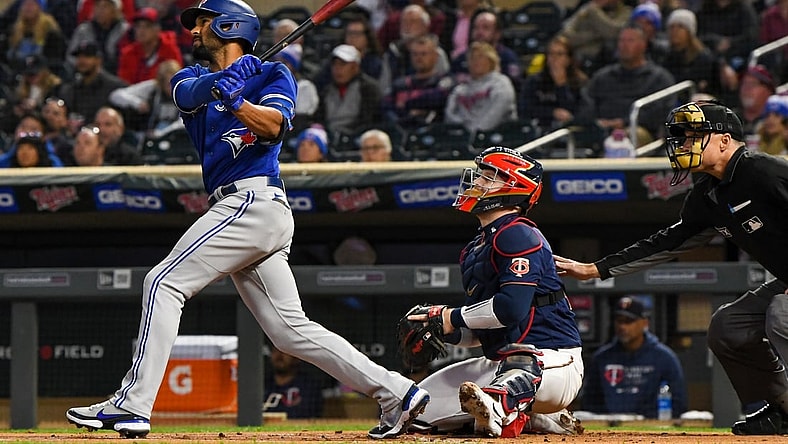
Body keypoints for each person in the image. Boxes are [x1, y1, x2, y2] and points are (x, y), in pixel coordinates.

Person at [65, 0, 429, 439]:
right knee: (290, 333)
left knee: (163, 283)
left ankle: (132, 405)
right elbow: (187, 94)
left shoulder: (275, 75)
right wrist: (224, 82)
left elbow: (274, 127)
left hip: (253, 201)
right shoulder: (190, 76)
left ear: (228, 25)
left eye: (203, 23)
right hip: (242, 208)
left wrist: (238, 98)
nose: (194, 32)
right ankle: (398, 391)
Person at [554, 100, 788, 435]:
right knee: (728, 325)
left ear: (724, 140)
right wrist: (596, 269)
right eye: (682, 137)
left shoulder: (762, 169)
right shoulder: (708, 193)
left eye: (694, 136)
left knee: (782, 312)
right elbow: (668, 241)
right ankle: (781, 408)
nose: (684, 145)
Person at [406, 146, 584, 438]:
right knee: (415, 409)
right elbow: (481, 331)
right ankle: (533, 417)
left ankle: (508, 408)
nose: (477, 183)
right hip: (499, 363)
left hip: (553, 361)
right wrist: (442, 327)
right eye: (481, 176)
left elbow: (510, 309)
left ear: (515, 188)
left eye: (489, 178)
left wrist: (452, 315)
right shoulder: (476, 247)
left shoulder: (519, 232)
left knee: (521, 365)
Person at [582, 296, 688, 418]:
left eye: (629, 321)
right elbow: (589, 402)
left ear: (644, 323)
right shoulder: (601, 358)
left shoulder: (664, 358)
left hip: (652, 429)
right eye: (619, 321)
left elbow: (679, 403)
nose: (623, 327)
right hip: (610, 429)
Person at [577, 23, 675, 148]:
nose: (624, 45)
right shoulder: (602, 77)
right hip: (602, 131)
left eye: (630, 41)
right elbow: (587, 104)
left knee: (631, 134)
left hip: (640, 133)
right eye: (621, 41)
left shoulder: (659, 78)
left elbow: (658, 113)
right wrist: (596, 122)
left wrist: (623, 122)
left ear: (643, 45)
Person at [382, 33, 455, 129]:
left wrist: (406, 103)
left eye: (424, 54)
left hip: (434, 131)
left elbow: (438, 98)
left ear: (435, 56)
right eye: (415, 54)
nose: (419, 58)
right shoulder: (399, 84)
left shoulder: (445, 81)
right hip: (402, 130)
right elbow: (385, 107)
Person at [519, 35, 588, 134]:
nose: (554, 59)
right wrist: (552, 112)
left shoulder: (580, 82)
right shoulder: (534, 81)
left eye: (559, 54)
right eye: (551, 54)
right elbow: (524, 110)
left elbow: (581, 112)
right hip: (540, 130)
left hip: (571, 133)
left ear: (568, 59)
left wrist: (561, 85)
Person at [444, 41, 517, 132]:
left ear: (491, 60)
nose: (476, 61)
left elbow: (496, 114)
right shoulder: (460, 90)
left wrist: (476, 131)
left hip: (497, 136)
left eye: (480, 57)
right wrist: (464, 130)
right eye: (472, 58)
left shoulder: (501, 84)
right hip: (464, 137)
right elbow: (450, 115)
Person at [313, 44, 382, 137]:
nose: (337, 69)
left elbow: (369, 121)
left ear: (355, 67)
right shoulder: (325, 90)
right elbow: (319, 118)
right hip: (329, 136)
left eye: (342, 64)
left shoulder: (369, 89)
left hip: (357, 137)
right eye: (335, 64)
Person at [56, 41, 128, 128]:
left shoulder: (115, 87)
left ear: (98, 60)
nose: (82, 61)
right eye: (79, 57)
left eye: (87, 56)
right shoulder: (70, 88)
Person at [109, 59, 184, 140]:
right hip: (146, 135)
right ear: (161, 83)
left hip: (174, 136)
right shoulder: (152, 88)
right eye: (168, 84)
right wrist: (138, 103)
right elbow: (116, 95)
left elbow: (183, 122)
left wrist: (162, 133)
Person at [263, 345, 335, 418]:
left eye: (284, 352)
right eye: (275, 351)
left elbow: (311, 415)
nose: (279, 355)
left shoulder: (308, 385)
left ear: (296, 357)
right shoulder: (263, 384)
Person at [116, 7, 184, 85]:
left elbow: (175, 78)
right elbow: (124, 82)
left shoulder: (170, 50)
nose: (141, 31)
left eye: (147, 26)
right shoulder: (128, 53)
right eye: (138, 26)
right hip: (134, 94)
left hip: (163, 92)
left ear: (157, 29)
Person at [66, 0, 130, 75]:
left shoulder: (125, 31)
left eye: (105, 6)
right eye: (97, 6)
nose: (100, 10)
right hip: (85, 73)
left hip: (114, 73)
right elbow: (70, 56)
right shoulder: (83, 30)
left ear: (115, 10)